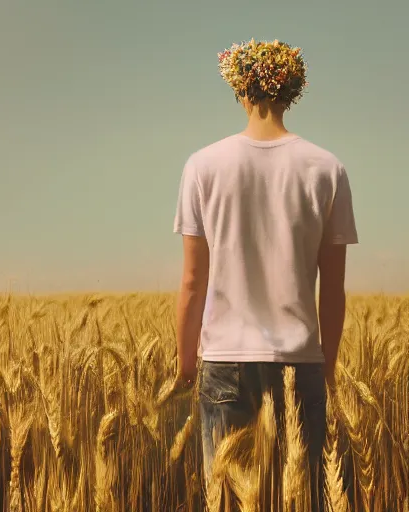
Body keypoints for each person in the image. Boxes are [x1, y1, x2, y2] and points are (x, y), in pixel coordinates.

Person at [172, 38, 358, 510]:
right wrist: (327, 367)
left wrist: (186, 364)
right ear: (292, 90)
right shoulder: (327, 169)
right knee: (301, 500)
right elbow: (332, 289)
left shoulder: (202, 166)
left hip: (226, 362)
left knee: (228, 500)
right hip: (302, 360)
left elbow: (193, 281)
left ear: (240, 88)